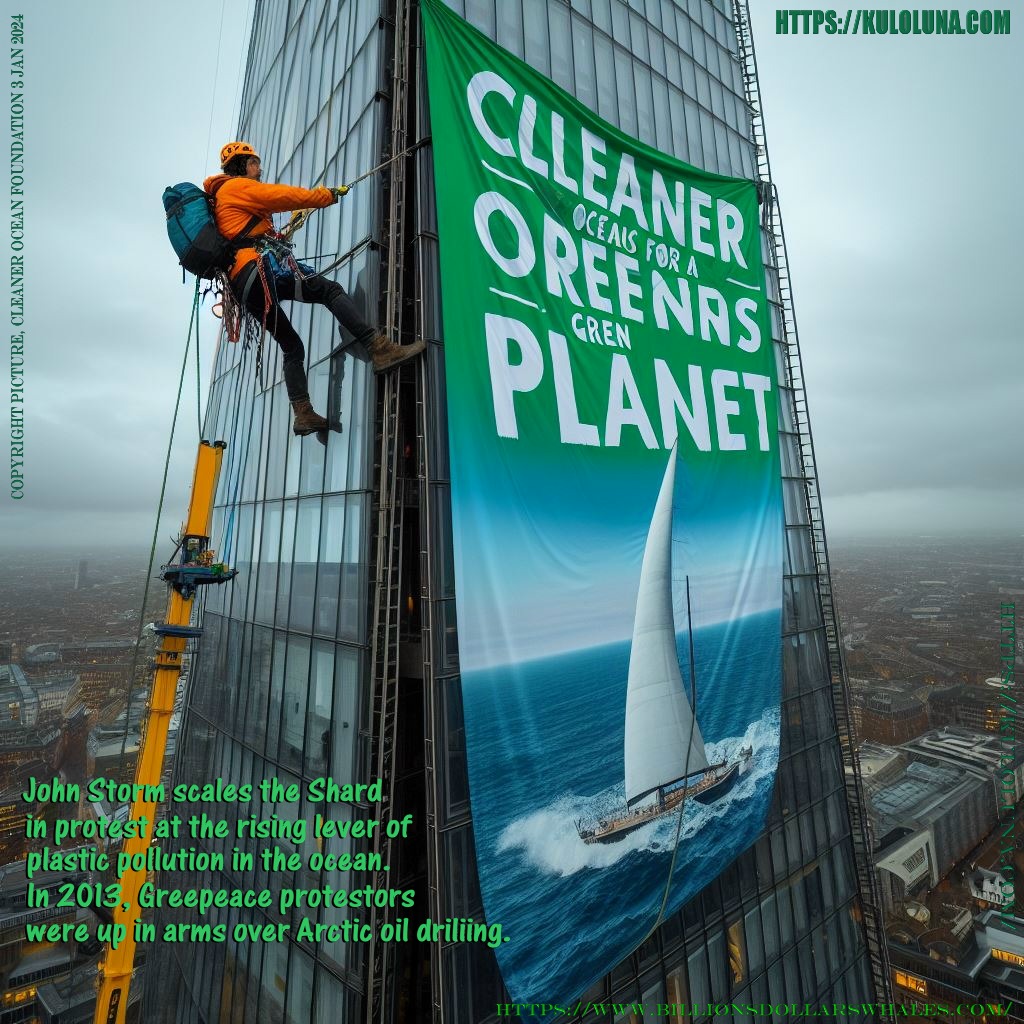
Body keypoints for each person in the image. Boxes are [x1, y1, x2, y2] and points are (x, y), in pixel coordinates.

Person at [203, 141, 425, 435]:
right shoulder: (236, 187)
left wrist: (284, 230)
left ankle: (303, 413)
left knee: (291, 345)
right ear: (243, 164)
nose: (259, 168)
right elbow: (280, 195)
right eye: (255, 162)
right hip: (260, 271)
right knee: (328, 290)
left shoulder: (223, 200)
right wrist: (325, 196)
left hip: (246, 287)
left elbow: (248, 233)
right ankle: (379, 349)